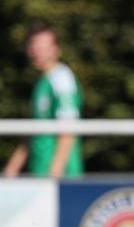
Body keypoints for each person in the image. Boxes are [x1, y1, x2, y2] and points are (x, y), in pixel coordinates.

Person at [4, 21, 84, 178]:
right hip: (39, 172)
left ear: (56, 49)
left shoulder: (62, 79)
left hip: (60, 176)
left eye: (43, 46)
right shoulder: (42, 82)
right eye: (34, 45)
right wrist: (12, 167)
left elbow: (68, 129)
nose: (38, 51)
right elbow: (33, 132)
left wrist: (55, 173)